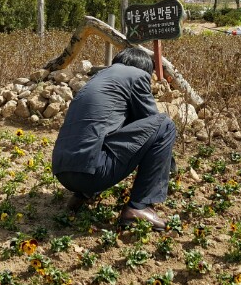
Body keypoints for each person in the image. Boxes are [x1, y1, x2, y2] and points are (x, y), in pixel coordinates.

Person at [51, 48, 177, 231]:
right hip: (91, 173)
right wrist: (169, 166)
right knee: (165, 125)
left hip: (62, 171)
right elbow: (151, 122)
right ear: (145, 69)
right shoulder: (137, 75)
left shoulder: (97, 79)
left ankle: (83, 194)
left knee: (102, 132)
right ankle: (139, 207)